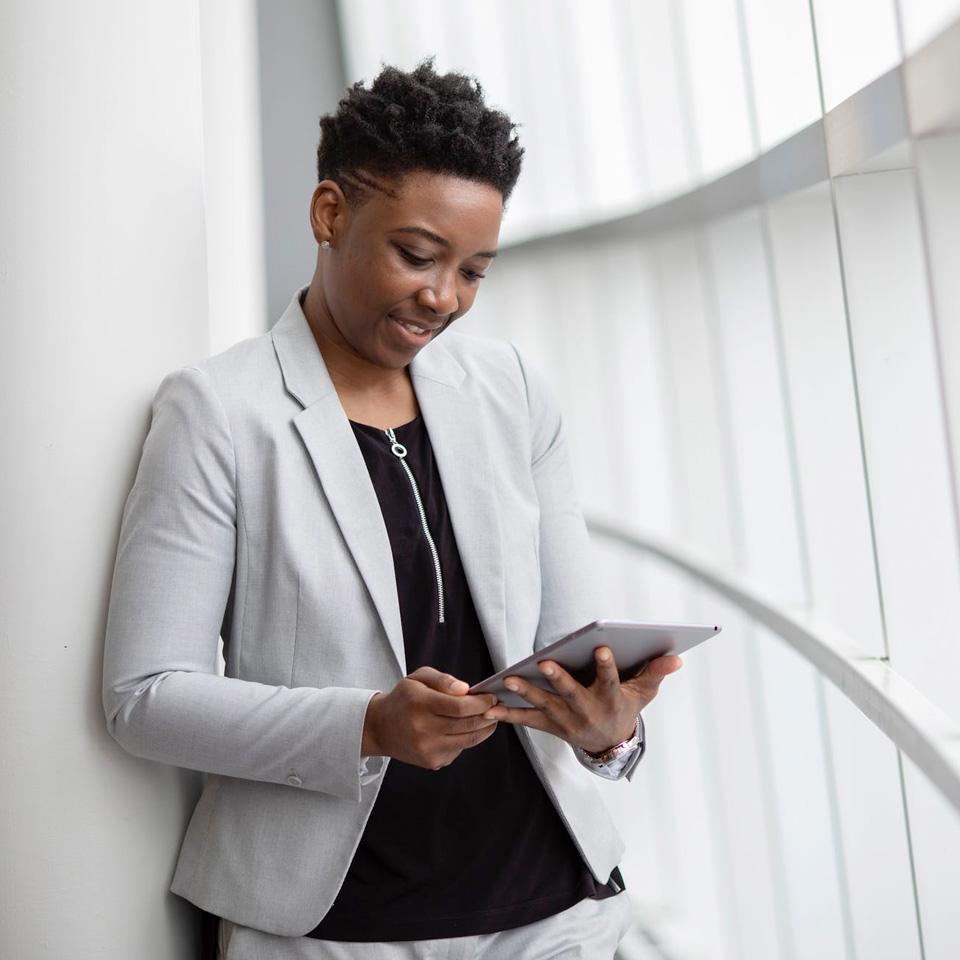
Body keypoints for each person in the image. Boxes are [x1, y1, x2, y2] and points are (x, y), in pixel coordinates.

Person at [103, 60, 681, 959]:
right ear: (330, 214)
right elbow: (144, 697)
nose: (443, 297)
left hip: (550, 911)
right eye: (416, 255)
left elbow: (572, 647)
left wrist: (611, 734)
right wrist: (368, 724)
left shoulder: (513, 390)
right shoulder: (219, 412)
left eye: (474, 270)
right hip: (337, 927)